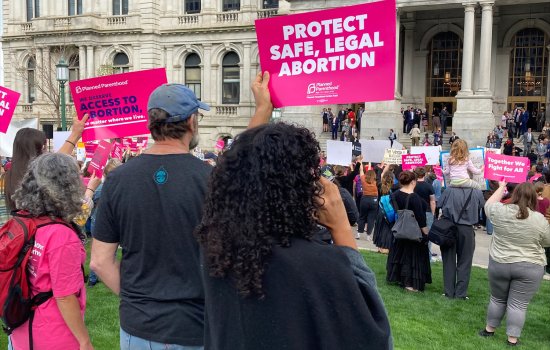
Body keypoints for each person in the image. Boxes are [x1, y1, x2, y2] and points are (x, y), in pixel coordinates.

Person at [90, 72, 273, 349]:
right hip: (195, 328)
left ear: (151, 123)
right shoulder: (211, 179)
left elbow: (100, 262)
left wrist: (137, 302)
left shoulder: (117, 180)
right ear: (191, 121)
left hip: (138, 328)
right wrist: (263, 110)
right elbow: (241, 164)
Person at [195, 123, 393, 350]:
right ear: (299, 186)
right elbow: (375, 338)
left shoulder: (217, 250)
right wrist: (341, 229)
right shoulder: (320, 265)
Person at [9, 153, 94, 350]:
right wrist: (84, 341)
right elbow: (64, 296)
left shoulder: (24, 221)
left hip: (22, 327)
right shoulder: (61, 235)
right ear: (69, 186)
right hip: (53, 334)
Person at [480, 182, 550, 346]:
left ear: (514, 195)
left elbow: (488, 204)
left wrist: (501, 186)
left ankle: (489, 330)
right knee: (518, 304)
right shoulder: (538, 219)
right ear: (534, 198)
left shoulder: (500, 211)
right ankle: (512, 339)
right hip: (530, 266)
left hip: (500, 263)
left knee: (497, 299)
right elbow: (547, 242)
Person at [4, 115, 87, 212]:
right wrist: (90, 190)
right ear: (39, 149)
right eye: (45, 147)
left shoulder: (7, 176)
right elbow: (54, 164)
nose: (47, 153)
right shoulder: (39, 176)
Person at [386, 171, 432, 292]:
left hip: (399, 228)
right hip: (413, 231)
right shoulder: (414, 198)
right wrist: (426, 232)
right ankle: (409, 283)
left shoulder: (395, 194)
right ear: (413, 182)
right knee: (410, 257)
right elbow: (421, 219)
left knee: (400, 254)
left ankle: (400, 278)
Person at [438, 185, 485, 299]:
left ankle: (449, 292)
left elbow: (439, 204)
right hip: (467, 228)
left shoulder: (449, 190)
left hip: (449, 227)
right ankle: (461, 293)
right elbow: (481, 205)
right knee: (465, 261)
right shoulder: (476, 192)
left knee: (448, 260)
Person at [374, 167, 397, 254]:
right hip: (390, 211)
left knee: (379, 228)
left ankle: (380, 247)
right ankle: (386, 247)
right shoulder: (395, 188)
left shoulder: (380, 185)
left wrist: (385, 166)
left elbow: (379, 175)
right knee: (387, 230)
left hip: (380, 210)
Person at [357, 167, 379, 240]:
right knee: (371, 218)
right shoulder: (376, 182)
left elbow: (361, 171)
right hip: (374, 200)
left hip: (365, 199)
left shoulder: (363, 180)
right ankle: (368, 236)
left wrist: (360, 162)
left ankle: (359, 234)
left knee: (362, 217)